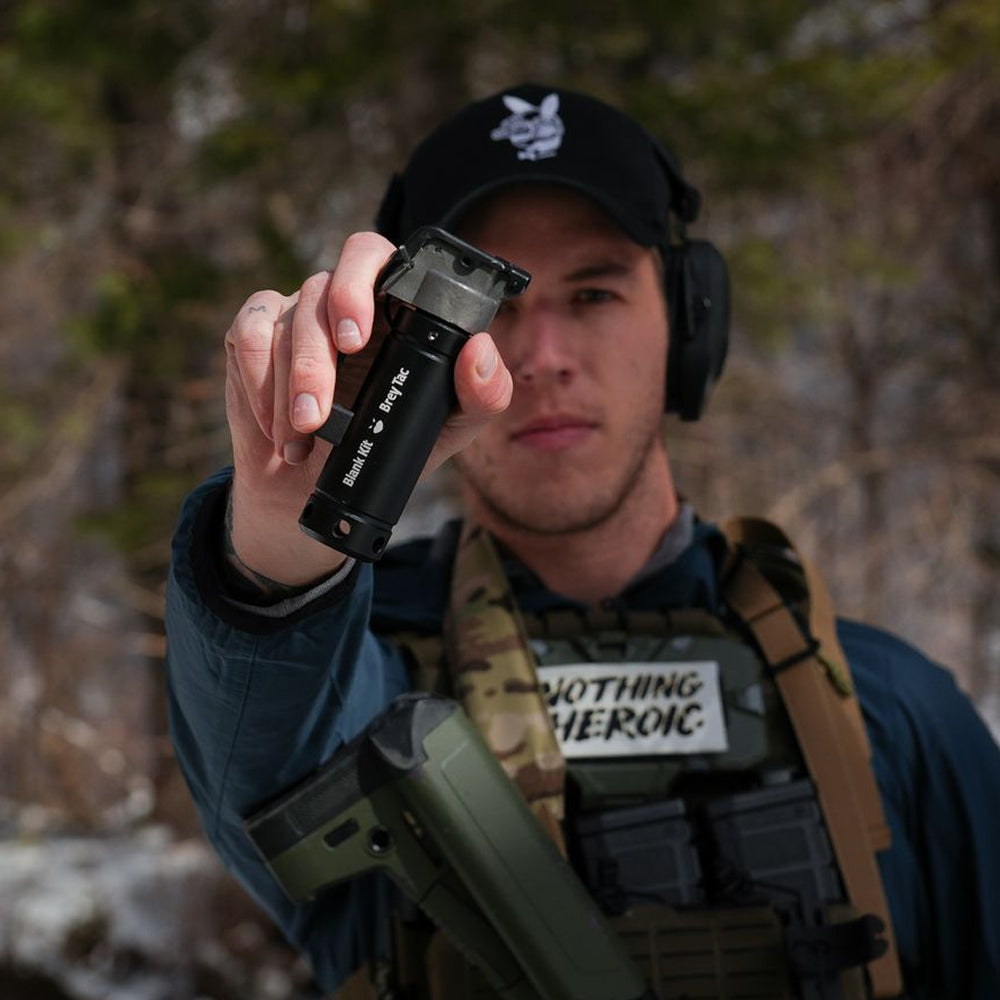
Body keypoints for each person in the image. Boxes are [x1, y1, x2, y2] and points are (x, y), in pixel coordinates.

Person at [165, 84, 1000, 999]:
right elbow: (265, 734)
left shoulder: (889, 710)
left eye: (595, 292)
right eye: (492, 307)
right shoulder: (367, 684)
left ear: (690, 322)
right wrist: (286, 532)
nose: (542, 356)